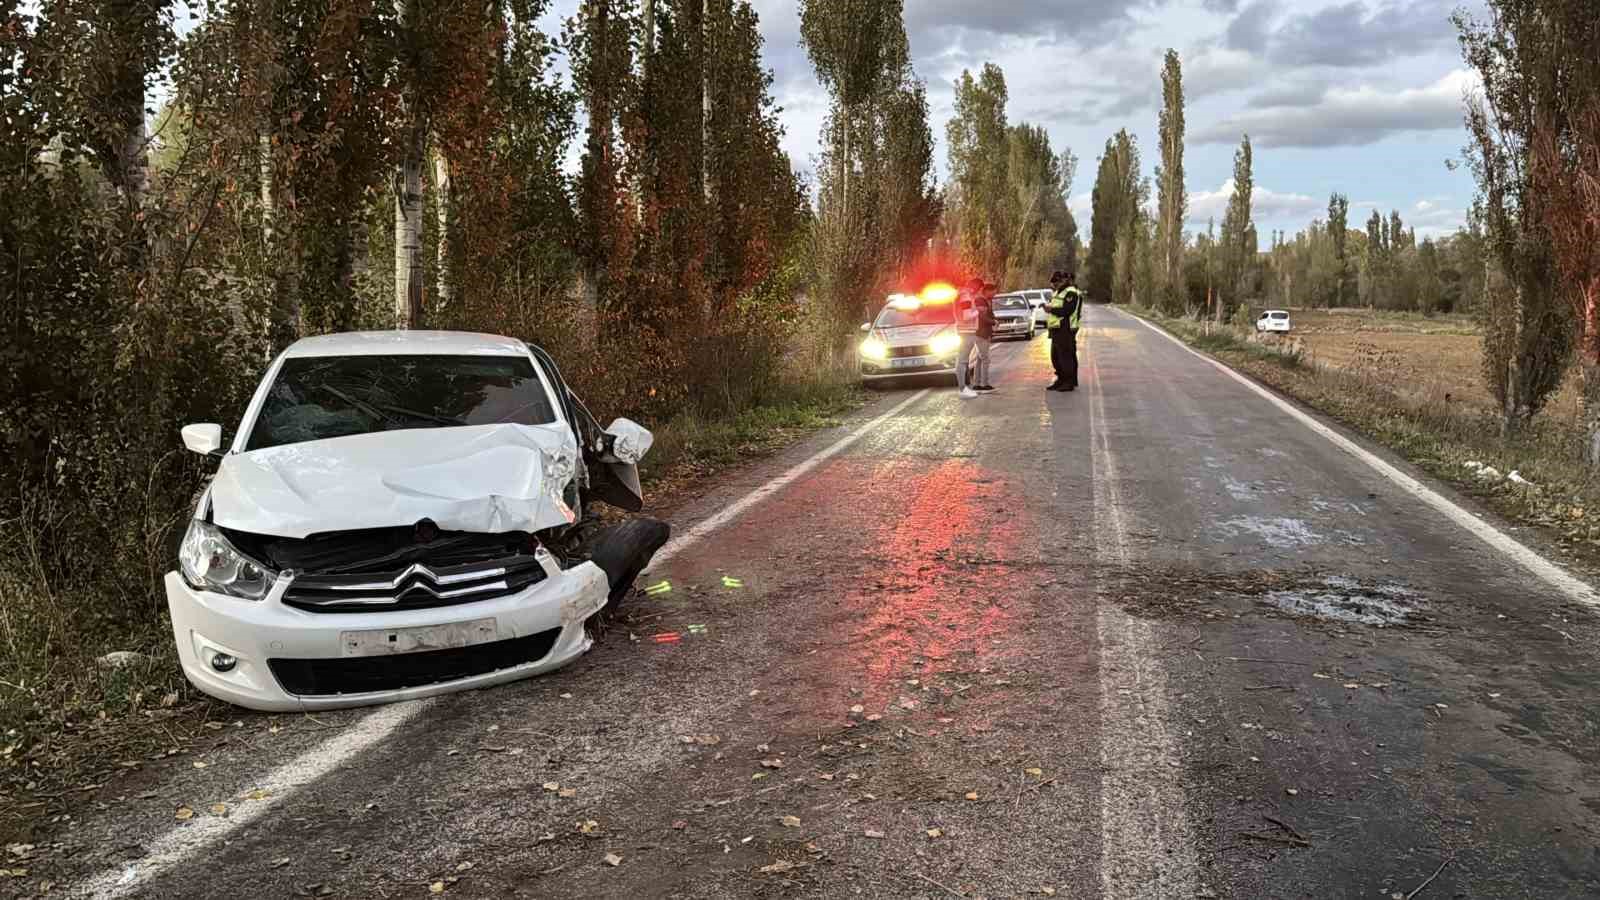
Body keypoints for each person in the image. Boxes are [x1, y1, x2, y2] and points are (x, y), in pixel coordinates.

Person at [1045, 271, 1083, 392]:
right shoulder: (1058, 292)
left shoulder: (1071, 292)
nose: (1054, 285)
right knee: (1056, 357)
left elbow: (1068, 310)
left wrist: (1051, 309)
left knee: (1065, 357)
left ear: (1063, 281)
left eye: (1056, 282)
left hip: (1065, 328)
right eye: (1053, 283)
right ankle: (1061, 379)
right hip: (1056, 329)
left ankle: (1069, 382)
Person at [954, 277, 984, 399]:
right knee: (962, 360)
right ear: (976, 286)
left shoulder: (963, 295)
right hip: (966, 331)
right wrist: (978, 311)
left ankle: (964, 387)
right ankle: (962, 388)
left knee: (963, 360)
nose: (979, 292)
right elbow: (967, 316)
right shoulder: (965, 296)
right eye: (979, 289)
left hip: (966, 330)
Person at [972, 282, 997, 393]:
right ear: (987, 290)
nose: (995, 294)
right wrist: (993, 322)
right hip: (981, 333)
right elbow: (982, 317)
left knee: (979, 359)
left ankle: (977, 384)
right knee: (985, 359)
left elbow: (989, 314)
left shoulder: (986, 300)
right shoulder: (980, 300)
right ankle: (984, 384)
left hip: (982, 333)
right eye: (994, 292)